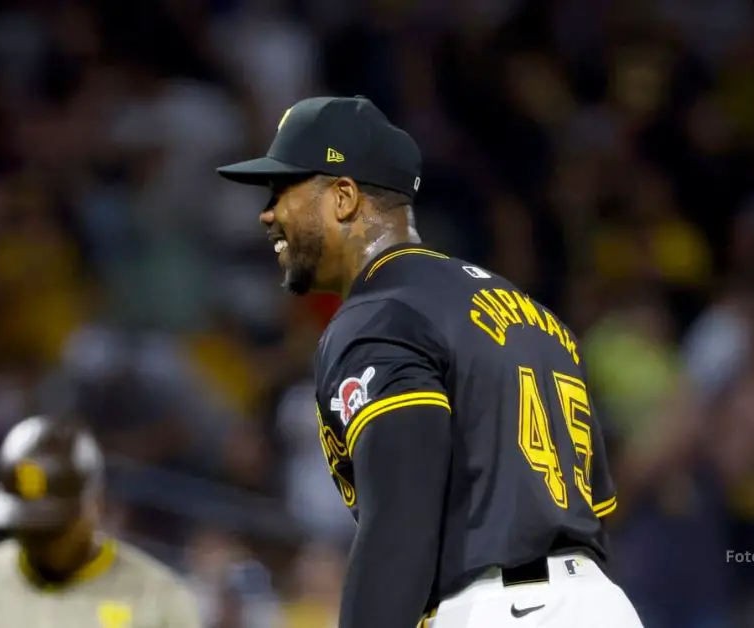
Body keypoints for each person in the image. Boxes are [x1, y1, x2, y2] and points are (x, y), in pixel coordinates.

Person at [217, 95, 644, 628]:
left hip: (495, 609)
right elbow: (597, 511)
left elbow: (401, 521)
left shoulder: (379, 314)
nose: (267, 212)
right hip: (602, 605)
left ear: (344, 197)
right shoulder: (533, 315)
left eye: (284, 190)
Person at [0, 415, 201, 627]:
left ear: (96, 505)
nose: (41, 542)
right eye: (29, 527)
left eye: (53, 528)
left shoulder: (159, 599)